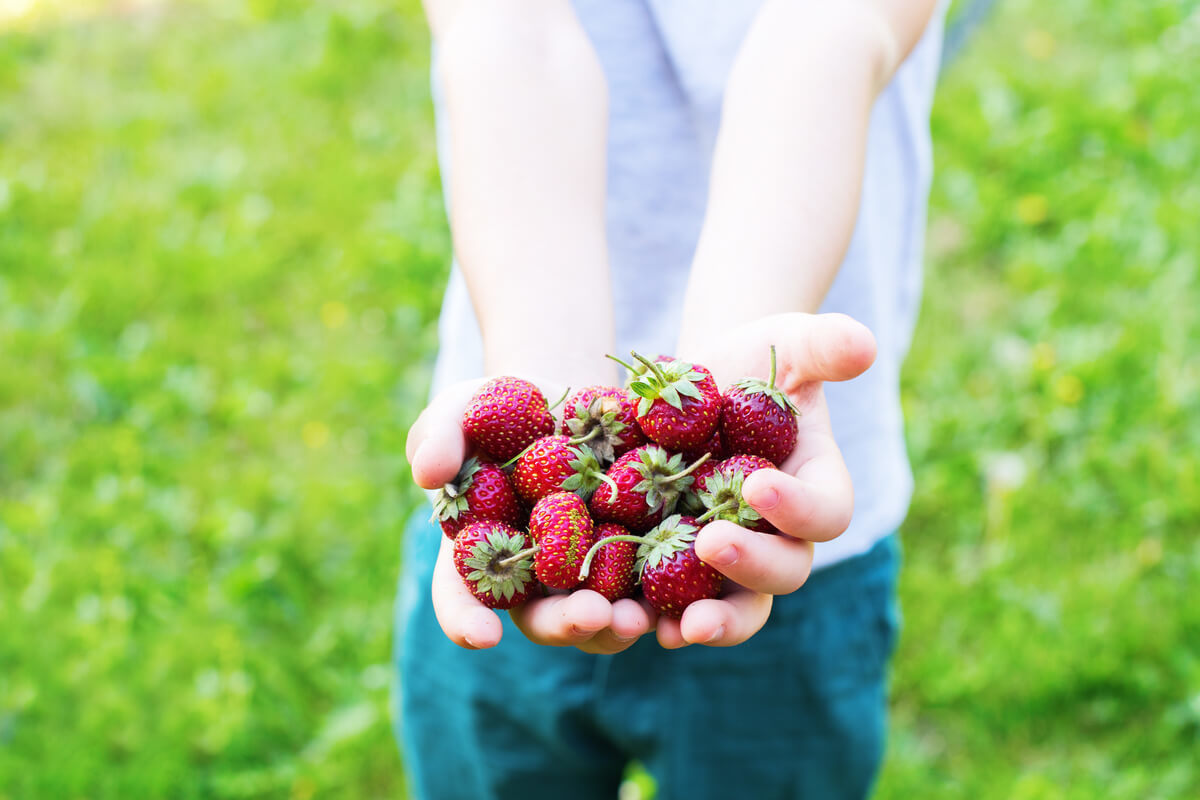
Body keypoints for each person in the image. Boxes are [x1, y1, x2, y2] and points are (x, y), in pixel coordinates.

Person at [398, 1, 946, 797]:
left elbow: (831, 29)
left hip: (778, 523)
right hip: (507, 499)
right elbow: (511, 31)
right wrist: (539, 391)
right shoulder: (518, 492)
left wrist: (737, 375)